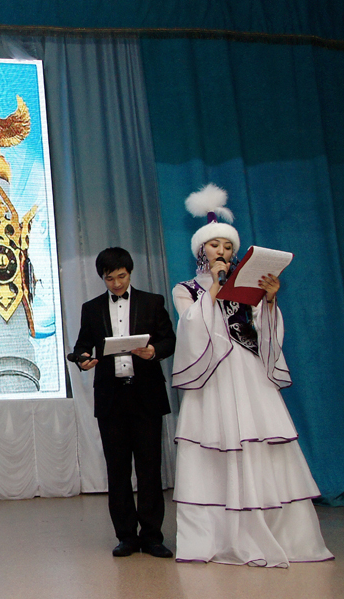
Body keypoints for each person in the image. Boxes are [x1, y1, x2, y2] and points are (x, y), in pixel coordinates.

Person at [171, 183, 333, 566]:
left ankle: (279, 533)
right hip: (212, 380)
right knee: (217, 447)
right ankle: (217, 536)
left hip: (248, 376)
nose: (222, 252)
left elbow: (263, 333)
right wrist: (215, 287)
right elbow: (192, 329)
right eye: (215, 245)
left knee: (259, 444)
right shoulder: (186, 289)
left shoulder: (247, 287)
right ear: (201, 249)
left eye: (228, 247)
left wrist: (269, 298)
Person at [72, 247, 176, 559]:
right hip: (111, 397)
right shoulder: (92, 309)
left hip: (146, 395)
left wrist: (153, 351)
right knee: (117, 470)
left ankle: (153, 537)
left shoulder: (152, 302)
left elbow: (169, 340)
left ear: (130, 273)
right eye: (110, 278)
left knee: (149, 468)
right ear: (101, 277)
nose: (117, 283)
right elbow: (82, 345)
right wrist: (83, 359)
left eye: (121, 276)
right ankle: (126, 537)